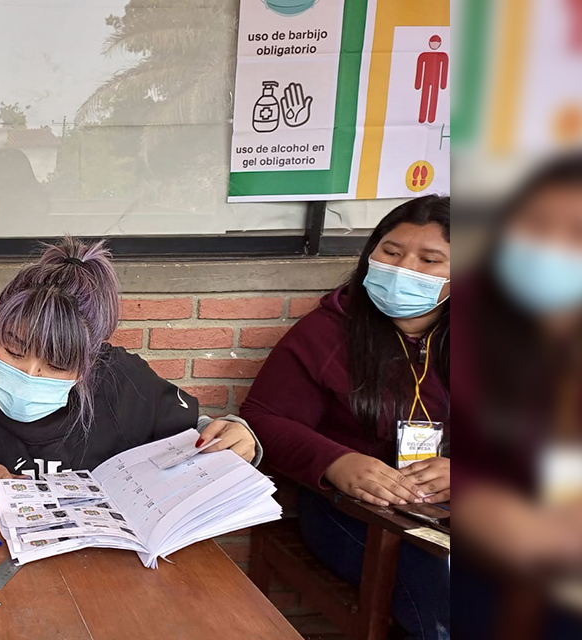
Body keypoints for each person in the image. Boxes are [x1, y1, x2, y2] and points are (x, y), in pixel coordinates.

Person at [241, 196, 451, 640]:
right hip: (352, 512)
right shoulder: (329, 331)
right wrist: (336, 462)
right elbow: (263, 417)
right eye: (391, 252)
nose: (404, 269)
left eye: (430, 260)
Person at [0, 237, 261, 499]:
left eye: (58, 365)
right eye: (14, 352)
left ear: (91, 361)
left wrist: (236, 434)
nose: (30, 374)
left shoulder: (123, 383)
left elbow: (195, 437)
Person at [452, 155, 582, 640]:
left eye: (575, 234)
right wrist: (473, 499)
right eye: (536, 225)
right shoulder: (464, 318)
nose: (552, 248)